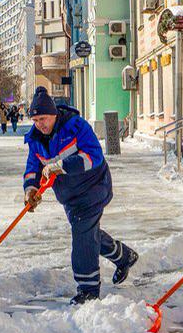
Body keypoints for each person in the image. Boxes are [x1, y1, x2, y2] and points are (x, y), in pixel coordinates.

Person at [23, 86, 138, 304]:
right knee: (87, 231)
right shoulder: (35, 139)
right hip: (69, 196)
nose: (41, 124)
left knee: (82, 234)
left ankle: (88, 290)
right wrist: (30, 189)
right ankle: (124, 256)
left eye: (44, 119)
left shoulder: (75, 127)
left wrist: (62, 166)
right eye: (36, 120)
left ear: (54, 114)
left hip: (94, 187)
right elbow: (32, 168)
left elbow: (94, 156)